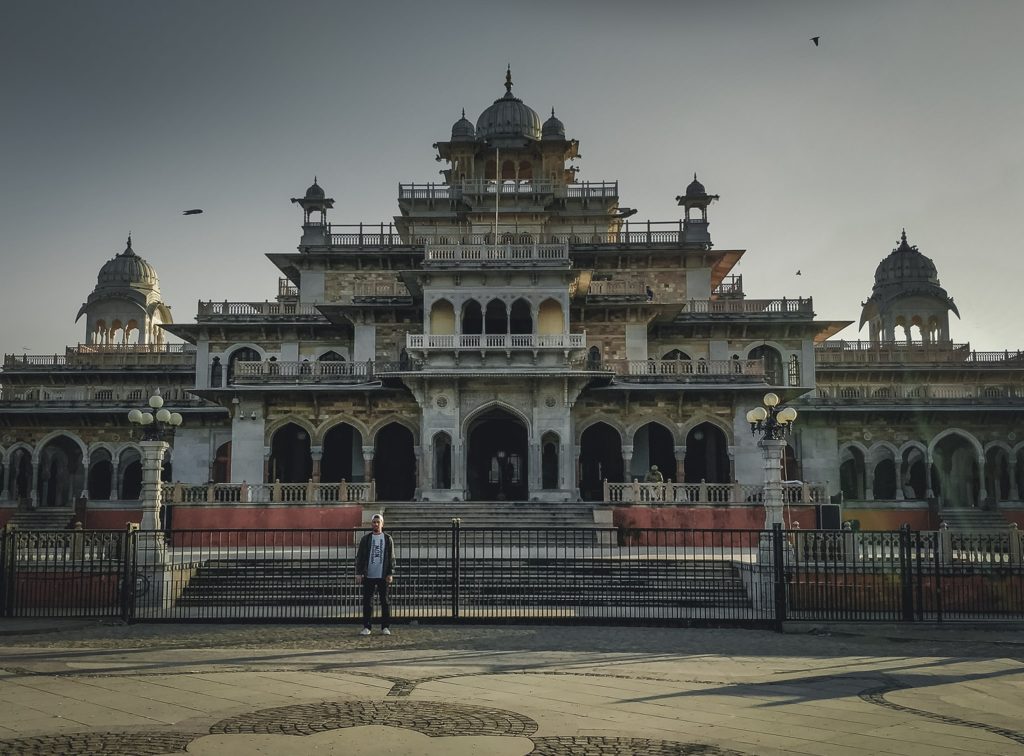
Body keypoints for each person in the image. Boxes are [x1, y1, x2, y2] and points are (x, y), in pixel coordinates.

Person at [355, 513, 394, 635]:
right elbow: (360, 557)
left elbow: (391, 557)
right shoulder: (366, 539)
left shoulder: (387, 539)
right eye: (374, 522)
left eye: (378, 522)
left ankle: (385, 627)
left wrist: (390, 572)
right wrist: (359, 573)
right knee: (367, 602)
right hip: (369, 575)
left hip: (383, 575)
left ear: (382, 524)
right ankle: (367, 627)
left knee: (385, 601)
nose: (376, 524)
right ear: (371, 524)